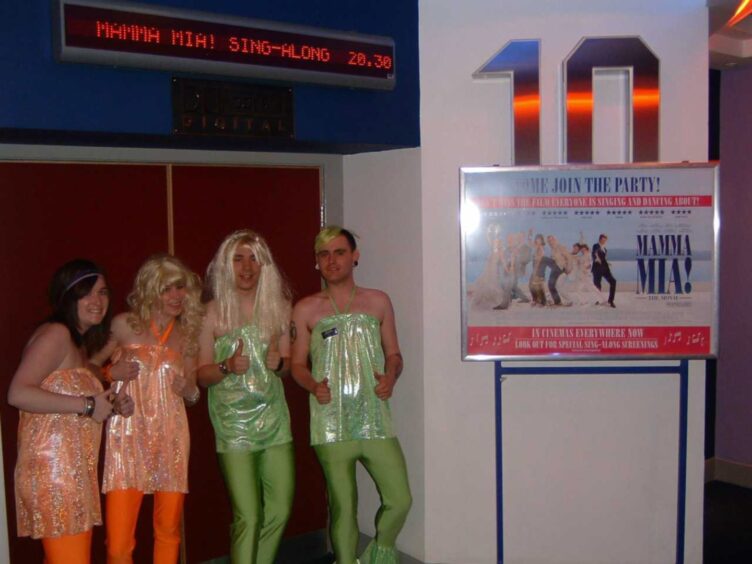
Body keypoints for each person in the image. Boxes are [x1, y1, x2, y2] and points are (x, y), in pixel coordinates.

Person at [291, 226, 412, 564]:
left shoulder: (378, 301)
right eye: (324, 254)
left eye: (339, 252)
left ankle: (380, 553)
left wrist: (391, 376)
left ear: (355, 256)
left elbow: (395, 355)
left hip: (374, 415)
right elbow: (298, 364)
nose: (332, 260)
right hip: (330, 421)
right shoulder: (305, 309)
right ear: (317, 262)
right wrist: (313, 385)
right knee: (343, 505)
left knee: (400, 498)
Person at [8, 259, 133, 564]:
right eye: (86, 292)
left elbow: (63, 399)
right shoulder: (56, 335)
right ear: (67, 296)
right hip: (55, 474)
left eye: (103, 293)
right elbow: (18, 393)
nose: (97, 301)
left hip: (73, 471)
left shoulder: (78, 346)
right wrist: (88, 405)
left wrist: (111, 407)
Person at [93, 254, 203, 564]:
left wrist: (189, 389)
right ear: (150, 290)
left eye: (180, 288)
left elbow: (194, 394)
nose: (176, 296)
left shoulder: (187, 335)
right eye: (167, 288)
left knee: (168, 532)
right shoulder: (124, 325)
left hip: (171, 439)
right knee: (118, 544)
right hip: (127, 438)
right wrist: (111, 376)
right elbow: (88, 369)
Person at [197, 230, 294, 564]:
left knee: (279, 510)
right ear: (226, 265)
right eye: (238, 258)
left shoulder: (279, 307)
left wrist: (280, 363)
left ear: (264, 264)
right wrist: (225, 366)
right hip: (233, 426)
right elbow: (202, 374)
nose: (247, 266)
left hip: (275, 423)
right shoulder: (210, 313)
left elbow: (286, 367)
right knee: (248, 517)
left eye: (253, 258)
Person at [592, 233, 617, 307]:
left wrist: (607, 262)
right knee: (597, 285)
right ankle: (599, 300)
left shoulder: (605, 249)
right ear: (600, 239)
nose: (604, 242)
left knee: (613, 281)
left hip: (605, 269)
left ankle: (611, 300)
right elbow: (594, 253)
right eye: (603, 240)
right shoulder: (596, 245)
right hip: (597, 269)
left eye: (605, 240)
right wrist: (596, 258)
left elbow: (604, 259)